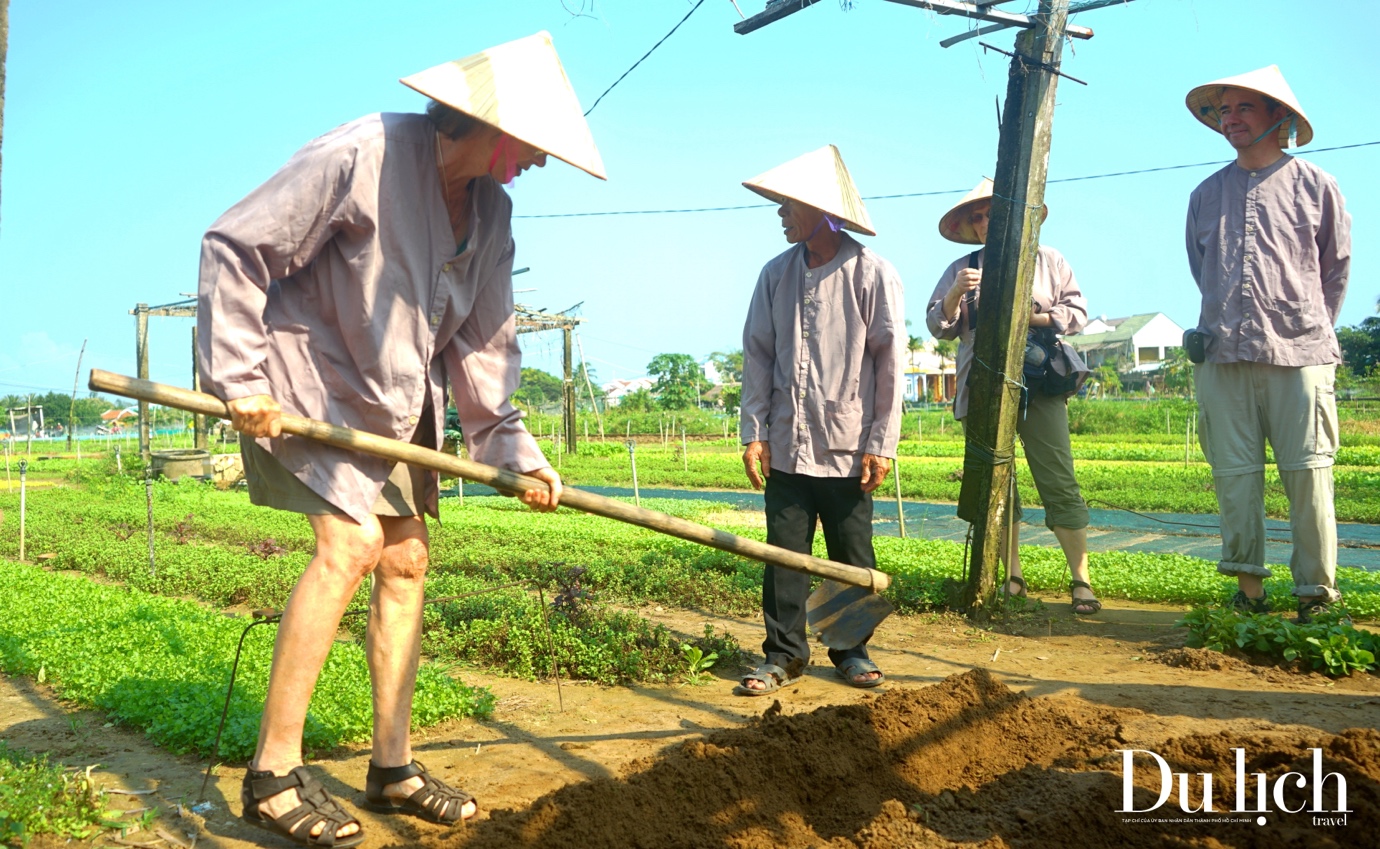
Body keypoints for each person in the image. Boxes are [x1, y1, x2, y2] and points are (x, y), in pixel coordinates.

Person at [197, 32, 604, 845]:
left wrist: (513, 451)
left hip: (388, 406)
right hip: (301, 386)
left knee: (407, 556)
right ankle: (273, 773)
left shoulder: (493, 210)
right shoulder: (361, 154)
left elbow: (484, 344)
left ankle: (392, 766)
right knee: (348, 545)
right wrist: (239, 378)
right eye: (535, 145)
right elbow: (236, 244)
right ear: (488, 125)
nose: (542, 162)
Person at [1183, 65, 1351, 623]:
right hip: (1223, 355)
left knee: (1308, 473)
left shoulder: (1316, 185)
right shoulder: (1206, 194)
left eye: (1243, 108)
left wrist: (1307, 326)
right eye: (1223, 110)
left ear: (1280, 118)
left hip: (1301, 352)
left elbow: (1335, 270)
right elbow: (1201, 269)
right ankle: (1248, 590)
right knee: (1234, 476)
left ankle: (1316, 596)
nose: (1230, 119)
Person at [736, 145, 905, 695]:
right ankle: (784, 655)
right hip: (786, 441)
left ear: (820, 210)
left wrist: (881, 443)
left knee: (851, 555)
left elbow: (890, 364)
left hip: (848, 445)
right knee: (784, 554)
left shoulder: (872, 273)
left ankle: (850, 650)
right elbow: (758, 355)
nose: (781, 214)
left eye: (789, 205)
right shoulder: (773, 275)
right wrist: (754, 433)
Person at [925, 179, 1099, 614]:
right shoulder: (961, 268)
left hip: (1038, 384)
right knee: (996, 484)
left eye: (993, 214)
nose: (985, 223)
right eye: (978, 217)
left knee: (1058, 477)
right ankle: (1012, 576)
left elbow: (1076, 314)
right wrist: (953, 295)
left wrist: (1031, 316)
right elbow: (938, 326)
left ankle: (1082, 580)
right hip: (981, 385)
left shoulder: (1048, 260)